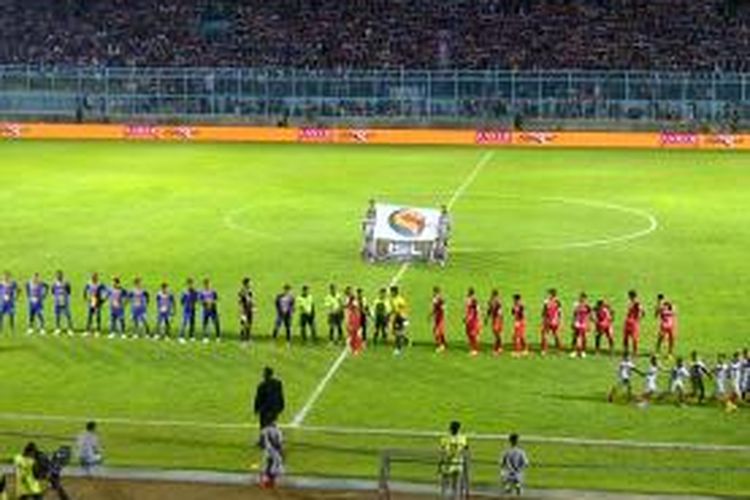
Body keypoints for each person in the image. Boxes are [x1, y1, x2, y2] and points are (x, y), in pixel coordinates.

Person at [439, 421, 468, 498]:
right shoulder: (462, 438)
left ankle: (445, 497)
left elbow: (442, 451)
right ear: (458, 429)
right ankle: (455, 497)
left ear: (450, 428)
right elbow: (465, 450)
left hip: (447, 463)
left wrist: (440, 463)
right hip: (458, 464)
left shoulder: (445, 437)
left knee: (444, 484)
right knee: (455, 485)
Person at [259, 422, 284, 488]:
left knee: (267, 463)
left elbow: (261, 441)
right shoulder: (278, 431)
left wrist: (264, 446)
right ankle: (270, 481)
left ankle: (265, 481)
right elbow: (278, 442)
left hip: (267, 449)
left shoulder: (264, 430)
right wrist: (280, 450)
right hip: (274, 449)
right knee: (276, 462)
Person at [570, 292, 592, 359]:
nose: (582, 299)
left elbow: (590, 315)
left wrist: (589, 324)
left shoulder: (587, 306)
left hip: (584, 323)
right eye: (581, 298)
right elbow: (574, 314)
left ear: (585, 299)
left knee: (584, 337)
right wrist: (573, 322)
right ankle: (574, 351)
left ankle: (583, 351)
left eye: (583, 298)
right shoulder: (576, 304)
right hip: (577, 322)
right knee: (575, 337)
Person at [540, 288, 562, 355]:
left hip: (553, 321)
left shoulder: (556, 302)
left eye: (549, 294)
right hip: (548, 321)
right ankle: (545, 349)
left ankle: (558, 349)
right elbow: (544, 312)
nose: (548, 295)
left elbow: (559, 312)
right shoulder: (547, 302)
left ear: (552, 294)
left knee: (555, 335)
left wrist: (558, 321)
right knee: (545, 335)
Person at [51, 271, 73, 336]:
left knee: (67, 315)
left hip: (65, 301)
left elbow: (69, 291)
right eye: (57, 276)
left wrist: (65, 296)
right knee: (57, 315)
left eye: (60, 275)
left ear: (62, 276)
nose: (59, 277)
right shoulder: (54, 284)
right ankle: (58, 328)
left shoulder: (66, 283)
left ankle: (69, 329)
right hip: (57, 302)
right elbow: (52, 291)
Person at [623, 290, 644, 356]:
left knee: (634, 338)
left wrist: (638, 319)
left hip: (633, 323)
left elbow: (642, 311)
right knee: (625, 338)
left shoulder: (637, 303)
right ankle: (626, 351)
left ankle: (635, 352)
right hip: (628, 322)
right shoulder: (631, 302)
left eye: (629, 296)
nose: (628, 297)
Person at [199, 278, 220, 342]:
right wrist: (205, 302)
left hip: (213, 309)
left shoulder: (213, 291)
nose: (207, 285)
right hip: (205, 310)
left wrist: (212, 302)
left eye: (208, 284)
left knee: (216, 322)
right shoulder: (202, 292)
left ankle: (218, 336)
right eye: (206, 284)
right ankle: (205, 337)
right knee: (205, 323)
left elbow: (216, 299)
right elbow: (200, 301)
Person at [390, 286, 409, 355]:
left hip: (400, 318)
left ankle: (398, 349)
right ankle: (405, 339)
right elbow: (394, 309)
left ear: (395, 292)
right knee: (394, 332)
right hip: (396, 317)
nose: (391, 293)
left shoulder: (400, 300)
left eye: (391, 292)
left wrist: (404, 319)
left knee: (398, 333)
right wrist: (389, 314)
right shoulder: (392, 299)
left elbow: (404, 309)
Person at [345, 287, 364, 355]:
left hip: (354, 319)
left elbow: (356, 308)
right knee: (352, 333)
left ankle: (355, 348)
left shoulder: (353, 303)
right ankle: (352, 347)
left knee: (355, 333)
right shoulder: (351, 304)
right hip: (352, 319)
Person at [179, 278, 199, 342]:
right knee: (184, 322)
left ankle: (191, 336)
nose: (190, 285)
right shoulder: (184, 292)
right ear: (187, 284)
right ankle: (181, 336)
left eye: (191, 284)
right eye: (189, 284)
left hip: (192, 309)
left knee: (192, 323)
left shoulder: (195, 292)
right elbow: (181, 301)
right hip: (186, 310)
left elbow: (196, 300)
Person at [486, 289, 503, 355]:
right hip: (494, 318)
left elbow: (499, 311)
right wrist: (487, 318)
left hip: (498, 318)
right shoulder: (491, 301)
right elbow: (489, 310)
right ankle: (499, 347)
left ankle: (497, 348)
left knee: (496, 332)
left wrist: (499, 318)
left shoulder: (498, 302)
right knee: (496, 333)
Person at [464, 287, 481, 356]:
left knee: (473, 334)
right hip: (469, 320)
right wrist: (465, 317)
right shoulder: (468, 300)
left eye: (470, 293)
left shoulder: (474, 301)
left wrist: (478, 318)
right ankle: (472, 348)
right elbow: (467, 310)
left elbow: (477, 310)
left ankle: (475, 349)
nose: (469, 294)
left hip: (473, 320)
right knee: (468, 334)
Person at [238, 278, 255, 344]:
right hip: (244, 310)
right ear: (246, 283)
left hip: (249, 309)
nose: (251, 284)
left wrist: (253, 307)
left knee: (249, 323)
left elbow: (251, 300)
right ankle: (242, 339)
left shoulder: (250, 291)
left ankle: (248, 338)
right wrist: (241, 309)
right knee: (244, 324)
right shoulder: (242, 291)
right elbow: (240, 301)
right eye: (250, 282)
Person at [430, 286, 447, 352]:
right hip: (436, 317)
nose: (434, 293)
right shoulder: (434, 299)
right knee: (438, 331)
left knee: (437, 332)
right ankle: (444, 343)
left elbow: (444, 308)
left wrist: (442, 311)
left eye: (435, 292)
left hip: (440, 318)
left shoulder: (440, 299)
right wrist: (431, 315)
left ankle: (440, 346)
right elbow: (434, 309)